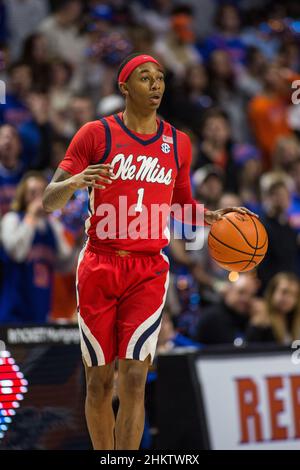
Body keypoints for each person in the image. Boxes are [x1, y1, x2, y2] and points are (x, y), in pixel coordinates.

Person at [42, 53, 256, 450]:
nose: (156, 85)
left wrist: (206, 217)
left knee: (135, 379)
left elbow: (180, 204)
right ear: (124, 86)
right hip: (100, 264)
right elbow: (48, 200)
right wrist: (77, 181)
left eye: (159, 78)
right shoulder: (95, 133)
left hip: (149, 270)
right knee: (99, 383)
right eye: (145, 78)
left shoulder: (178, 142)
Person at [0, 171, 71, 323]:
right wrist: (31, 216)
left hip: (41, 310)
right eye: (33, 193)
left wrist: (79, 240)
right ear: (23, 196)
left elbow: (65, 265)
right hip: (14, 312)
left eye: (42, 192)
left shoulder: (52, 226)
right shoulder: (11, 219)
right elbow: (17, 253)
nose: (38, 198)